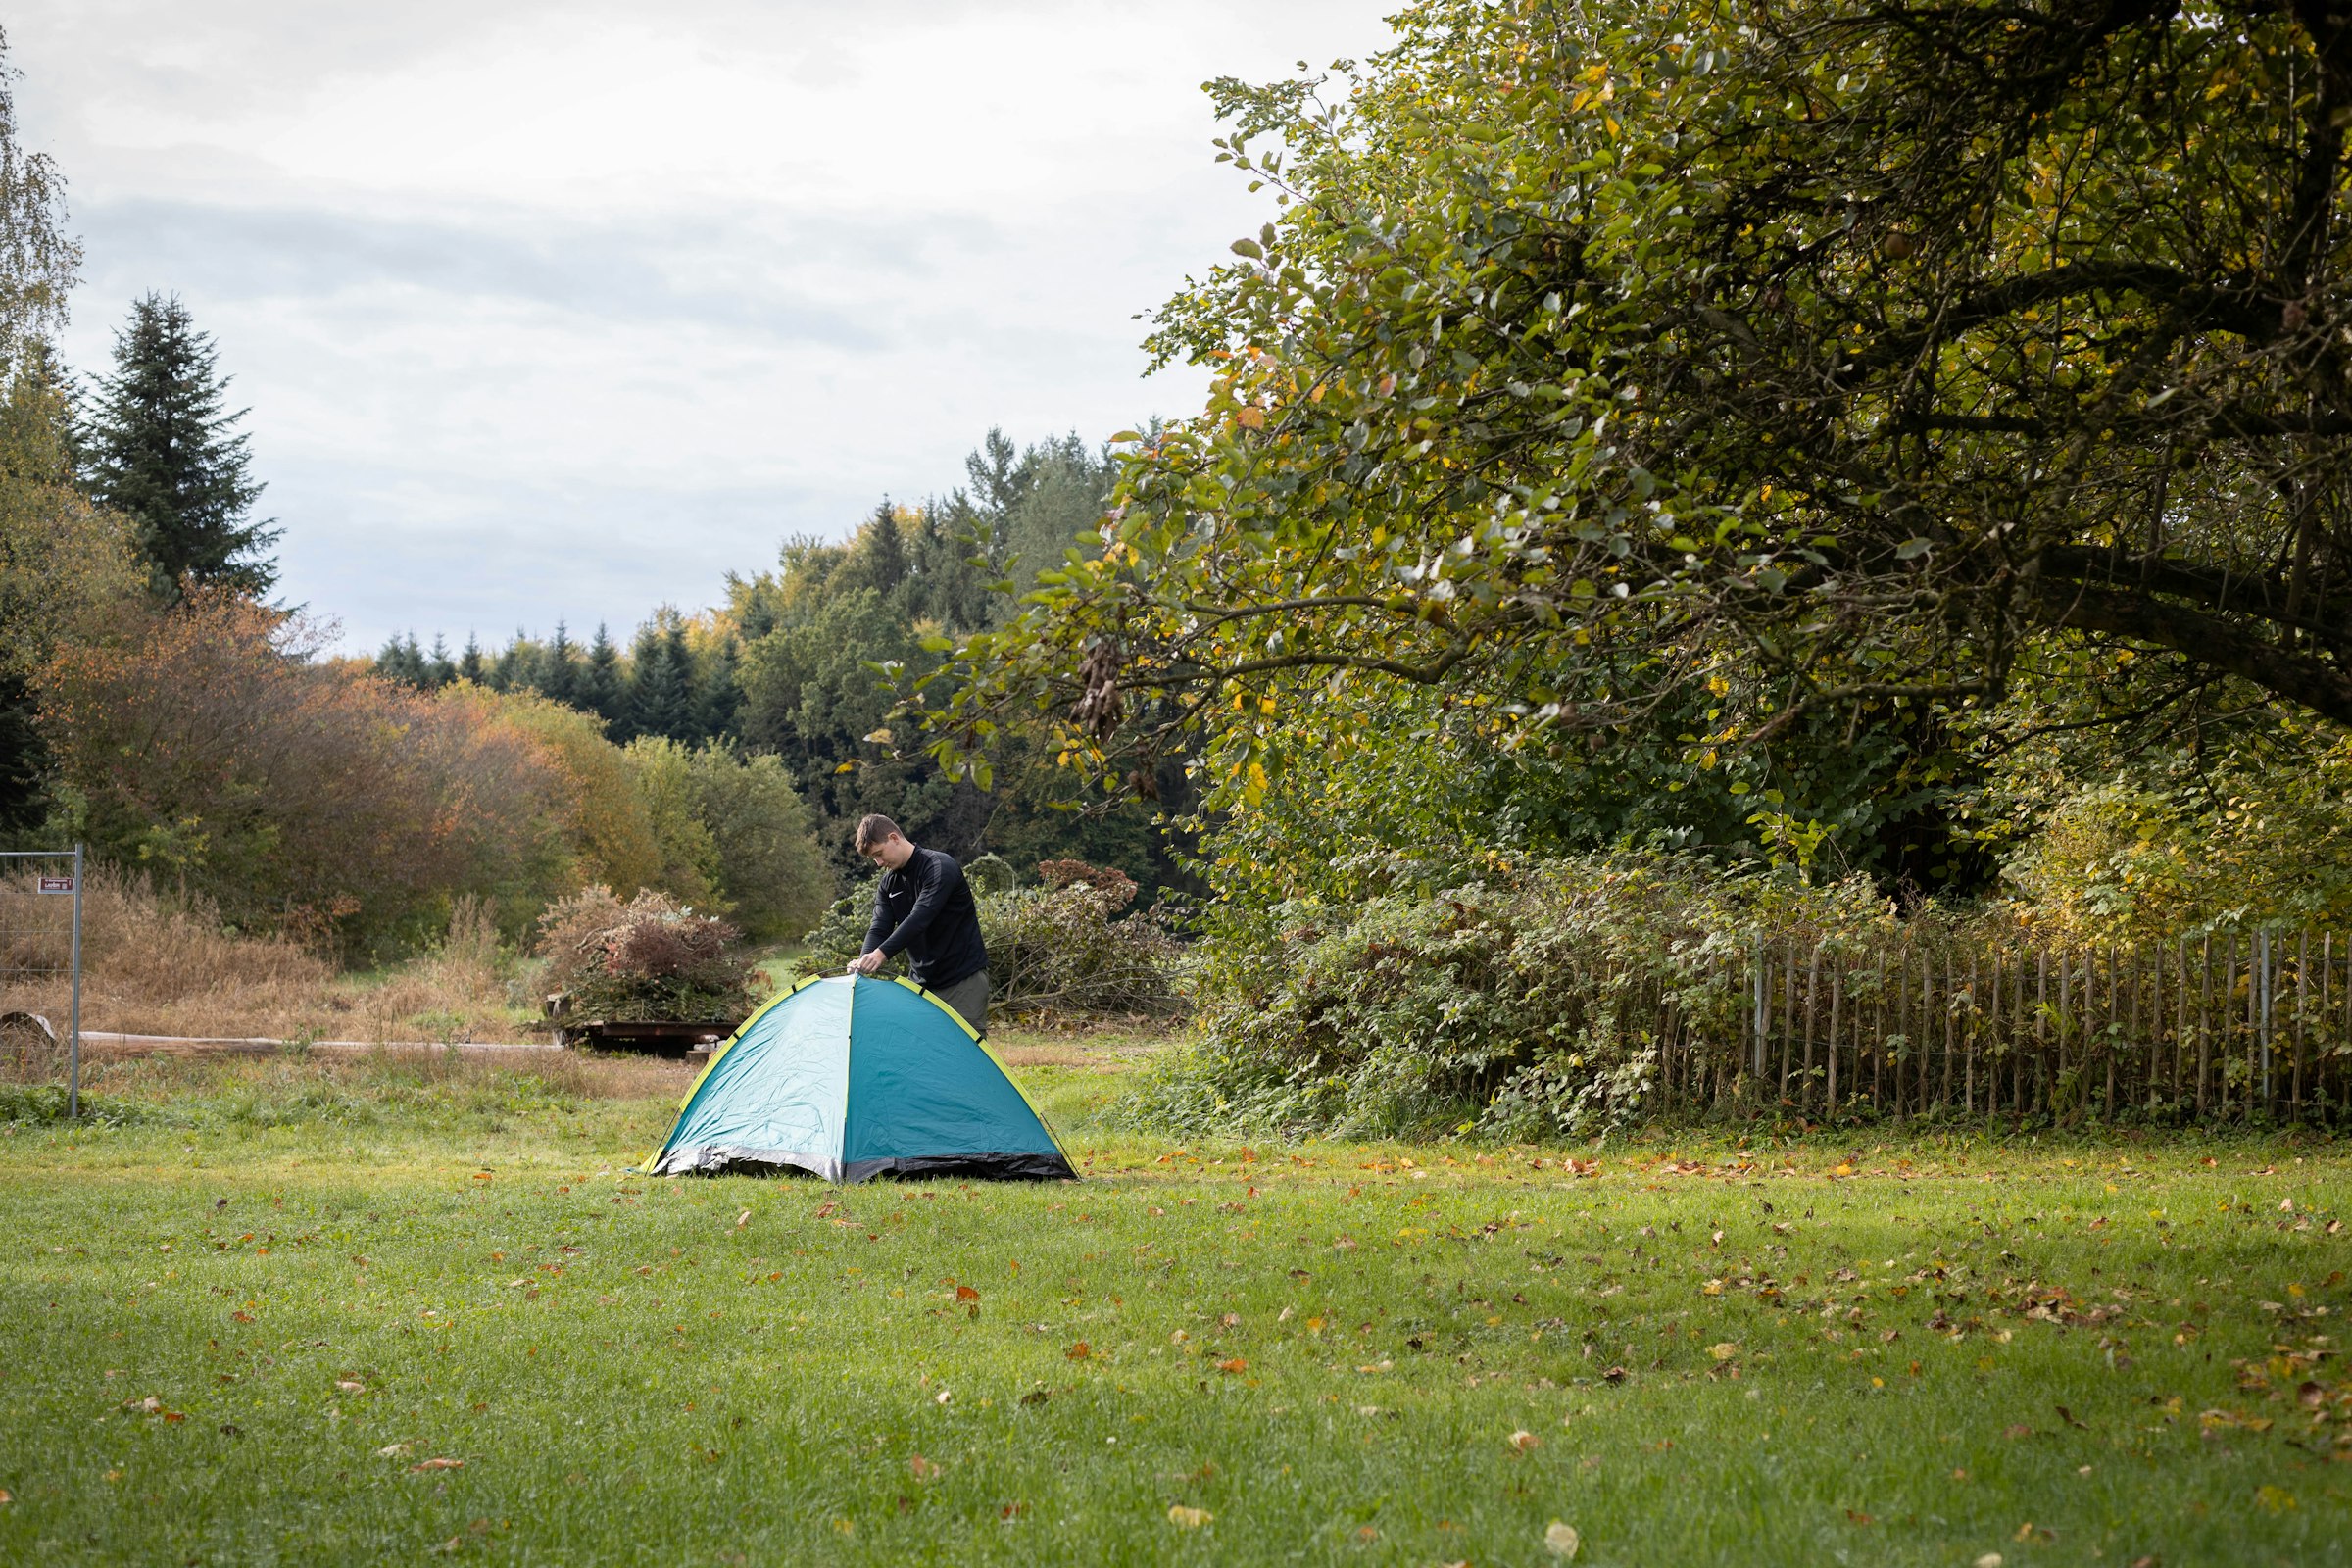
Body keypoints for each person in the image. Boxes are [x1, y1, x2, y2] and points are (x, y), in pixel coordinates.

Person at [846, 814, 991, 1035]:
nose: (879, 864)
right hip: (922, 985)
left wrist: (881, 954)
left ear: (894, 838)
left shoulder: (939, 867)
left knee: (964, 1056)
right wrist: (864, 960)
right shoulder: (888, 884)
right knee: (924, 1058)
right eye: (873, 859)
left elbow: (920, 917)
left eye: (879, 854)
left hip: (962, 981)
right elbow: (879, 927)